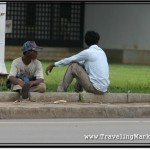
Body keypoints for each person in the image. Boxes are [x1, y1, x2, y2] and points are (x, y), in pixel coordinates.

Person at [45, 31, 110, 94]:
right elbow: (83, 63)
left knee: (73, 66)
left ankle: (60, 91)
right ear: (98, 41)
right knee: (79, 65)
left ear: (85, 41)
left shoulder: (88, 52)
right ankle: (78, 91)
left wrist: (53, 64)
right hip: (103, 89)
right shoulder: (102, 52)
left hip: (95, 88)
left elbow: (70, 59)